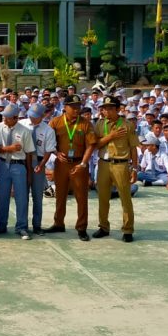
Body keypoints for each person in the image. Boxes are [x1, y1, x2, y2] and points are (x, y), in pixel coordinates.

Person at [43, 95, 96, 240]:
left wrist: (84, 163)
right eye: (73, 106)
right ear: (65, 107)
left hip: (79, 164)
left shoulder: (86, 124)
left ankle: (81, 227)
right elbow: (48, 141)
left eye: (78, 106)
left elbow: (90, 145)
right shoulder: (56, 122)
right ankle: (58, 223)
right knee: (60, 195)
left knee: (81, 196)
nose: (76, 109)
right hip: (61, 163)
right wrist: (55, 152)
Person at [93, 95, 140, 242]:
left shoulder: (127, 125)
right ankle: (103, 226)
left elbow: (133, 148)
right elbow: (96, 145)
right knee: (103, 197)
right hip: (103, 163)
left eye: (110, 108)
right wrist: (111, 136)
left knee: (125, 198)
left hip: (121, 163)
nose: (107, 111)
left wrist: (135, 168)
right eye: (105, 108)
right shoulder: (99, 124)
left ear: (118, 109)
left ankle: (128, 229)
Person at [0, 105, 36, 241]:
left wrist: (29, 174)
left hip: (19, 166)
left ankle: (22, 227)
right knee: (2, 196)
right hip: (3, 164)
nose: (4, 119)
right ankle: (1, 225)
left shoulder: (25, 131)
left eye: (7, 118)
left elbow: (29, 153)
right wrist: (10, 148)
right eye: (4, 117)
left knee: (21, 198)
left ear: (15, 117)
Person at [25, 104, 56, 236]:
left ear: (43, 116)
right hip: (23, 162)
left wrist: (41, 164)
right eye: (31, 115)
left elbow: (48, 150)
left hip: (38, 162)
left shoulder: (48, 130)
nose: (32, 118)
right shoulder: (23, 124)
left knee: (37, 196)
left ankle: (37, 225)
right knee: (23, 196)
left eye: (35, 116)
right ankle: (22, 225)